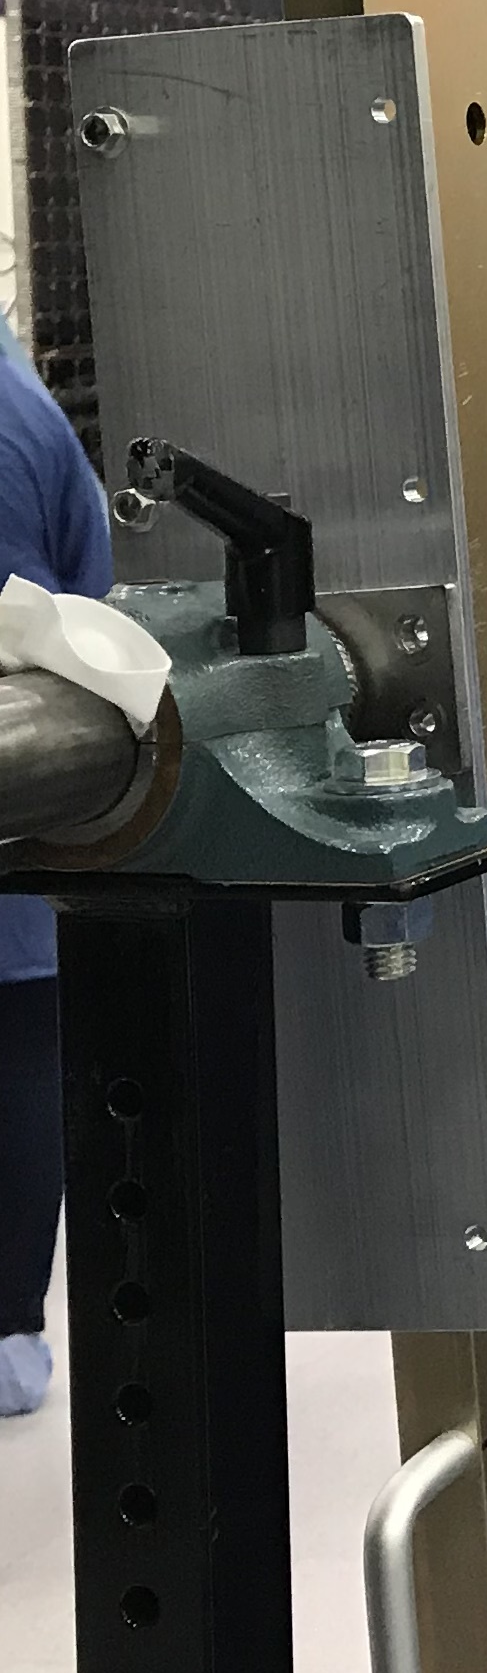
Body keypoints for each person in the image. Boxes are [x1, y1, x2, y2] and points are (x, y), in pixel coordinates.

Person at [0, 334, 115, 1419]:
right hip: (39, 806)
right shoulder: (28, 411)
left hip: (19, 784)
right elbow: (93, 592)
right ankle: (8, 1333)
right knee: (24, 1060)